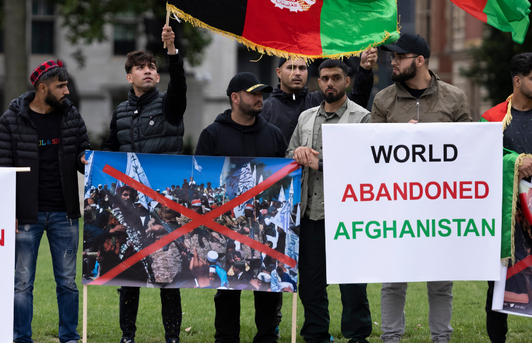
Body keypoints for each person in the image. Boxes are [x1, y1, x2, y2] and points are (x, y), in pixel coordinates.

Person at [371, 34, 471, 343]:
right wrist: (400, 135)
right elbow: (370, 152)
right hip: (395, 204)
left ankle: (441, 338)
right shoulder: (383, 100)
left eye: (400, 57)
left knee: (441, 279)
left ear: (420, 60)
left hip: (440, 204)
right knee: (393, 279)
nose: (393, 61)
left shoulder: (454, 98)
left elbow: (470, 150)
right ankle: (391, 338)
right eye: (393, 57)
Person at [0, 59, 91, 343]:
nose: (67, 92)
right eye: (61, 86)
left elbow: (82, 155)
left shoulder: (72, 116)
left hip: (65, 213)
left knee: (68, 283)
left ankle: (69, 337)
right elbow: (4, 170)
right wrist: (8, 211)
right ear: (42, 87)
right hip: (26, 215)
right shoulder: (11, 119)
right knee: (22, 283)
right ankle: (21, 338)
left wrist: (87, 160)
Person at [102, 24, 187, 343]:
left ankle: (173, 336)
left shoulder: (169, 104)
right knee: (131, 273)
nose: (148, 71)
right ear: (129, 76)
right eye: (141, 67)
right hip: (132, 206)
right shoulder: (121, 112)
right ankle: (127, 335)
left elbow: (179, 86)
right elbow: (111, 148)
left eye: (152, 67)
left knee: (168, 271)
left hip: (164, 205)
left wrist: (171, 52)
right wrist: (91, 161)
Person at [195, 71, 287, 343]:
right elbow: (203, 180)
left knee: (267, 282)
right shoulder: (211, 134)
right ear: (235, 98)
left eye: (261, 93)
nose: (260, 98)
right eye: (253, 93)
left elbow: (283, 179)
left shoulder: (274, 135)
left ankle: (268, 336)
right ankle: (225, 337)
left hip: (263, 227)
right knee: (227, 284)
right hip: (225, 226)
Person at [286, 59, 372, 343]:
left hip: (347, 215)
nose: (329, 83)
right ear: (318, 82)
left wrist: (319, 163)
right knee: (310, 284)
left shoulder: (362, 118)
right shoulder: (306, 117)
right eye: (324, 78)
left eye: (336, 78)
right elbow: (289, 156)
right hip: (310, 214)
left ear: (347, 81)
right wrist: (297, 153)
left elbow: (365, 166)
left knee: (353, 285)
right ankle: (315, 334)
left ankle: (357, 335)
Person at [480, 53, 532, 343]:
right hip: (503, 215)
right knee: (498, 284)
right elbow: (482, 159)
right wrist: (516, 162)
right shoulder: (490, 118)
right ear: (517, 80)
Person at [262, 49, 377, 142]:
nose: (297, 73)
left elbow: (357, 101)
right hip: (282, 170)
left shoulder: (321, 100)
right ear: (278, 72)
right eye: (291, 68)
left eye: (302, 68)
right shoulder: (265, 109)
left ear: (307, 72)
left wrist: (365, 70)